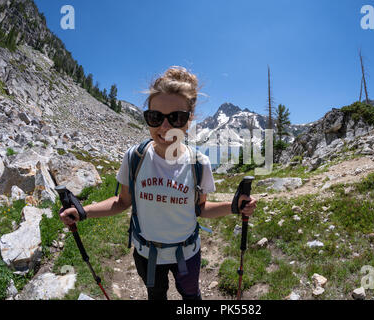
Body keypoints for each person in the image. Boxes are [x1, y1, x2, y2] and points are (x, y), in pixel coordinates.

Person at [59, 66, 257, 300]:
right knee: (156, 294)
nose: (164, 127)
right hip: (146, 254)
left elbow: (201, 209)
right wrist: (83, 212)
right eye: (155, 117)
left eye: (176, 118)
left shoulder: (198, 162)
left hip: (187, 252)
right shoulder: (135, 157)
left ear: (189, 120)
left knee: (191, 296)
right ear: (148, 116)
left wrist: (235, 207)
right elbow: (122, 202)